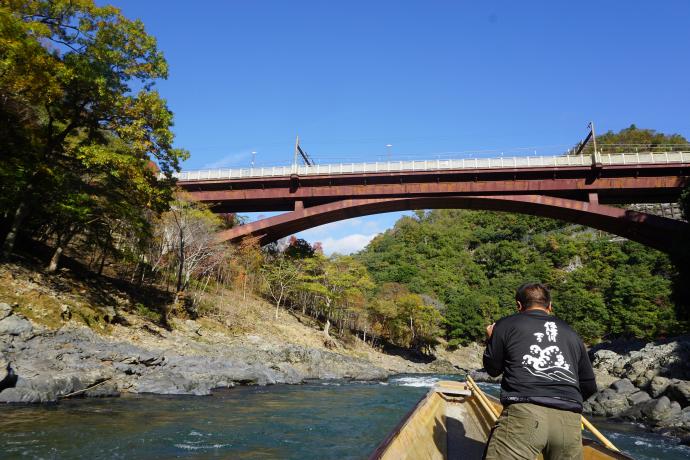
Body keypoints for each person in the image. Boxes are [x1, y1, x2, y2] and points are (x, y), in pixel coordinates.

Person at [482, 282, 597, 460]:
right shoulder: (572, 333)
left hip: (524, 414)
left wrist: (491, 339)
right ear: (550, 306)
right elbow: (589, 385)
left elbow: (493, 369)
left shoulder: (505, 325)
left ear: (519, 306)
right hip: (569, 419)